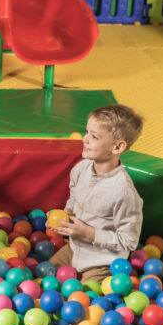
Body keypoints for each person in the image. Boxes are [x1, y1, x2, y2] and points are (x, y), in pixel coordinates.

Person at [50, 104, 144, 283]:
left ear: (117, 147)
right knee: (43, 275)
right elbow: (74, 198)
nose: (85, 139)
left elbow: (129, 241)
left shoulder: (124, 192)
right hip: (73, 249)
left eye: (94, 136)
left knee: (85, 296)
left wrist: (88, 232)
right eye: (86, 132)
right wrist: (66, 214)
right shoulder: (80, 169)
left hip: (102, 261)